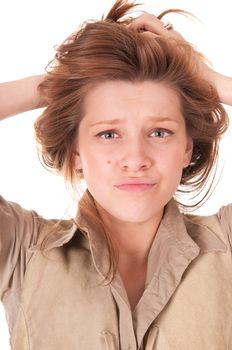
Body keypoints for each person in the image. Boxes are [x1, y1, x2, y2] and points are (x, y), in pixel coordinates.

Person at [0, 0, 232, 349]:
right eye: (109, 134)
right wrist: (52, 88)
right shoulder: (22, 249)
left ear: (187, 147)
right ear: (76, 150)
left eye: (159, 132)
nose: (135, 158)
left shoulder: (226, 245)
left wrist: (210, 81)